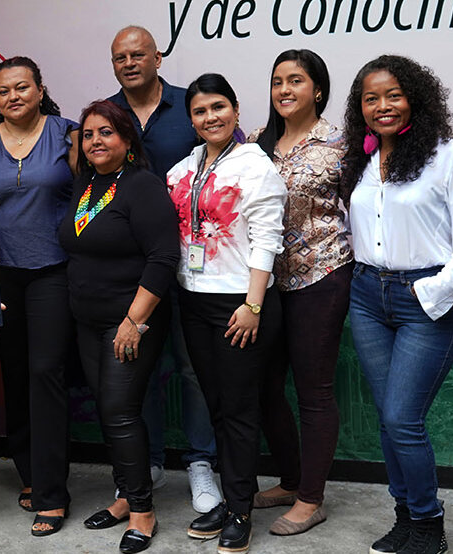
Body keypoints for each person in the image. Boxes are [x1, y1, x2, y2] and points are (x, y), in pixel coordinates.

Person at [338, 55, 453, 554]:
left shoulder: (449, 157)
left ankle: (429, 524)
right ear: (360, 108)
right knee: (387, 416)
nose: (383, 106)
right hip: (366, 296)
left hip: (424, 298)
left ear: (416, 100)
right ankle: (405, 517)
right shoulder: (358, 159)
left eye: (394, 95)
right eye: (371, 98)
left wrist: (433, 294)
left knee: (404, 417)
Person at [165, 74, 286, 554]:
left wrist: (253, 305)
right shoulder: (182, 169)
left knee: (238, 411)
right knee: (216, 406)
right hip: (193, 301)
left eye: (218, 107)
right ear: (191, 120)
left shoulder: (256, 168)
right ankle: (234, 496)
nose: (210, 117)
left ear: (236, 110)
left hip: (241, 305)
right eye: (200, 111)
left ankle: (240, 508)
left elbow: (267, 241)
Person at [105, 26, 220, 514]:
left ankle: (200, 462)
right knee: (139, 366)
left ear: (158, 57)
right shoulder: (106, 115)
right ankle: (144, 462)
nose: (129, 63)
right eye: (120, 57)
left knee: (195, 368)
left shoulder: (191, 105)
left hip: (196, 264)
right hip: (132, 268)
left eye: (138, 54)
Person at [0, 56, 77, 536]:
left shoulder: (68, 135)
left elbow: (91, 193)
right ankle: (30, 473)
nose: (13, 96)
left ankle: (52, 493)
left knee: (46, 372)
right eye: (4, 90)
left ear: (40, 88)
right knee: (12, 374)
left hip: (53, 271)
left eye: (22, 87)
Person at [60, 100, 179, 554]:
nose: (95, 141)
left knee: (120, 410)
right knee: (110, 412)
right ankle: (125, 495)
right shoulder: (87, 186)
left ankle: (144, 511)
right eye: (88, 135)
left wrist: (133, 320)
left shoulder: (142, 186)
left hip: (131, 321)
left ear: (128, 140)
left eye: (106, 132)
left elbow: (163, 258)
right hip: (88, 321)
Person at [247, 51, 354, 537]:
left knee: (314, 392)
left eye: (296, 81)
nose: (284, 90)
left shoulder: (342, 145)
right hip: (266, 283)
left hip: (322, 276)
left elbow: (366, 208)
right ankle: (290, 481)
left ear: (317, 89)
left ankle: (312, 499)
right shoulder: (255, 145)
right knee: (266, 387)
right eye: (277, 82)